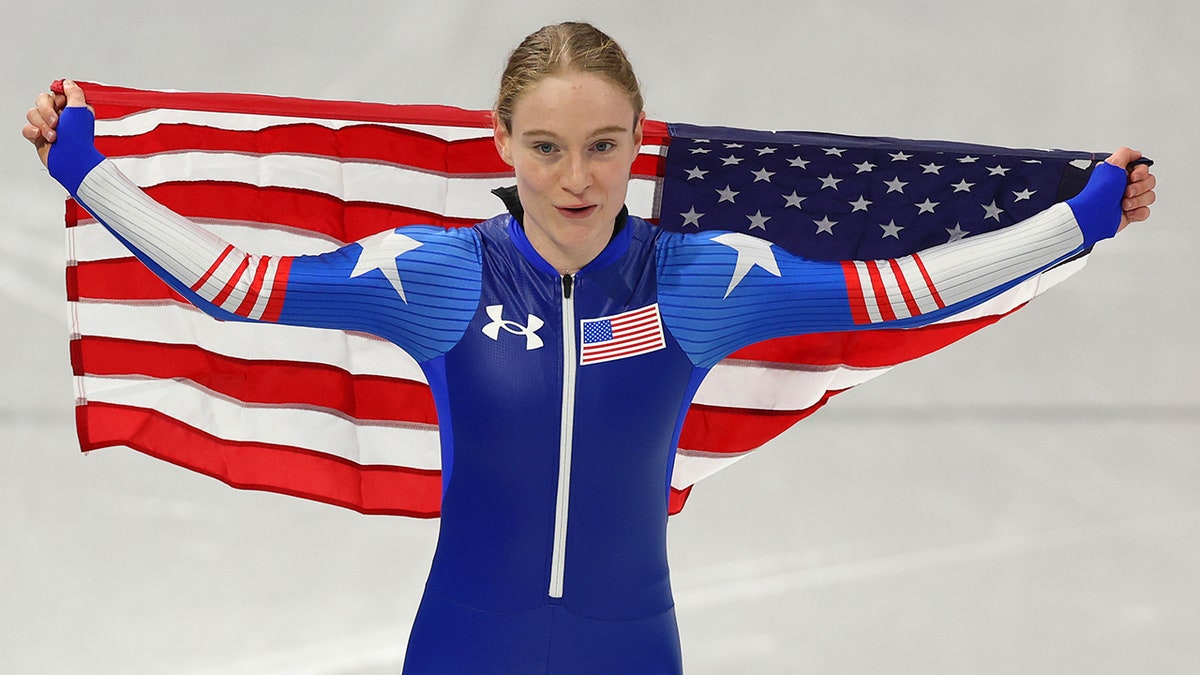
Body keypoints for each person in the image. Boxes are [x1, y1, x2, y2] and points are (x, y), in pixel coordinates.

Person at [24, 21, 1155, 675]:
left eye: (605, 146)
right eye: (551, 147)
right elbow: (239, 288)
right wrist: (93, 177)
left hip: (630, 650)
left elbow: (893, 290)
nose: (578, 179)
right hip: (464, 648)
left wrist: (1076, 222)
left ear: (634, 144)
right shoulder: (439, 275)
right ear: (504, 143)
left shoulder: (703, 281)